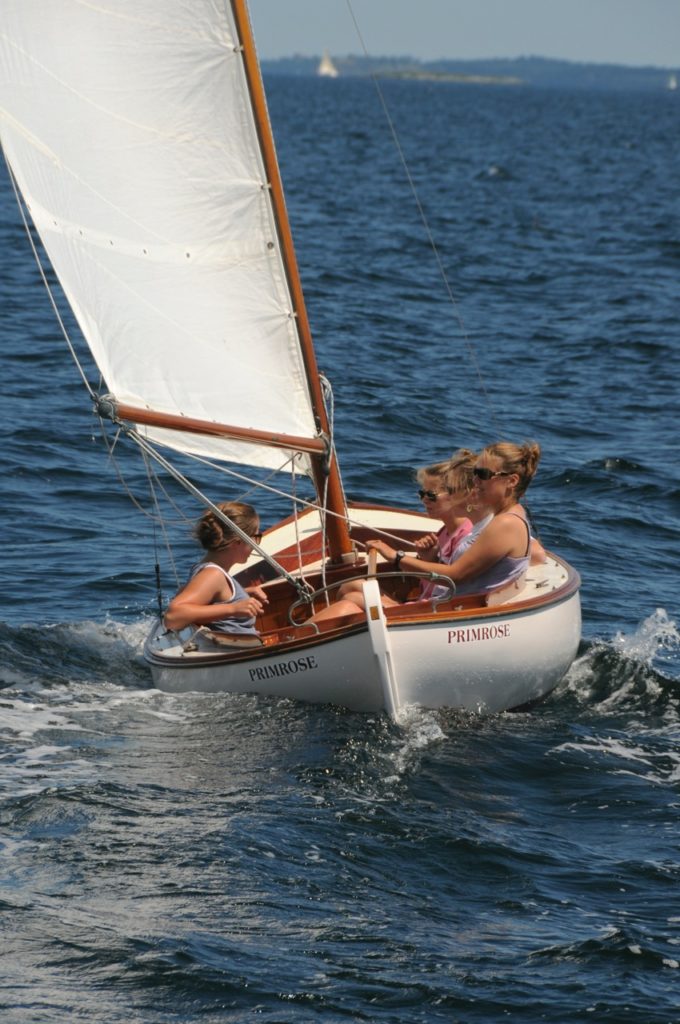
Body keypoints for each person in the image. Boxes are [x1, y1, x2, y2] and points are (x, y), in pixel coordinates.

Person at [365, 441, 542, 598]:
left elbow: (454, 575)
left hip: (454, 612)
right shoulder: (509, 517)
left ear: (511, 481)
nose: (475, 480)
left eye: (483, 474)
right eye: (475, 473)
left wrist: (396, 557)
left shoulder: (506, 524)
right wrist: (431, 559)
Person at [164, 501, 268, 635]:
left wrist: (242, 594)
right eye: (256, 537)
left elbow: (212, 599)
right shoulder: (213, 574)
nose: (256, 544)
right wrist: (233, 608)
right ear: (238, 541)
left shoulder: (207, 569)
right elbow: (173, 616)